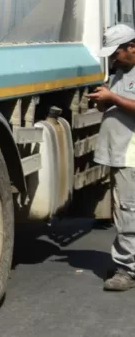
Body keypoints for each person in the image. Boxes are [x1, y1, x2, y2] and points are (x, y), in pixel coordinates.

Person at [87, 23, 135, 291]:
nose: (112, 58)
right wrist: (104, 100)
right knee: (126, 211)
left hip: (131, 154)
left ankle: (128, 270)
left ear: (132, 46)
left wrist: (113, 98)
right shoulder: (121, 71)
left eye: (116, 53)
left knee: (128, 213)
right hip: (120, 153)